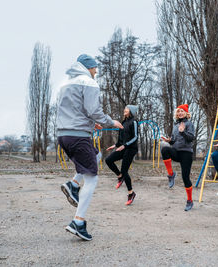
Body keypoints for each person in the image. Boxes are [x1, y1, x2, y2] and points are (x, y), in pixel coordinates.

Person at [58, 54, 123, 241]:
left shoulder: (66, 83)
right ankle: (78, 222)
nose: (96, 71)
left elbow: (73, 111)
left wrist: (90, 123)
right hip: (78, 136)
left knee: (96, 155)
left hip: (64, 135)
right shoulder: (89, 82)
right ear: (88, 67)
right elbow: (94, 110)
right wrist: (111, 121)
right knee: (92, 178)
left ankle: (73, 184)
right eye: (94, 68)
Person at [161, 104, 195, 211]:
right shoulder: (176, 125)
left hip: (186, 153)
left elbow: (191, 138)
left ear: (186, 113)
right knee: (165, 149)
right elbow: (174, 140)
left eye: (182, 111)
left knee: (185, 178)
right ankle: (171, 175)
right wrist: (169, 141)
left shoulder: (189, 124)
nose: (180, 113)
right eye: (179, 111)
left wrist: (183, 132)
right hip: (176, 151)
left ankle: (189, 201)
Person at [105, 105, 139, 205]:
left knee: (124, 170)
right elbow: (121, 139)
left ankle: (131, 193)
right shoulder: (123, 122)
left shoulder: (134, 122)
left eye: (127, 109)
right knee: (108, 160)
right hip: (123, 147)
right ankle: (120, 176)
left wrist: (125, 145)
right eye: (125, 108)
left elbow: (135, 137)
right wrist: (115, 145)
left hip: (131, 149)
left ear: (131, 111)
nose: (125, 110)